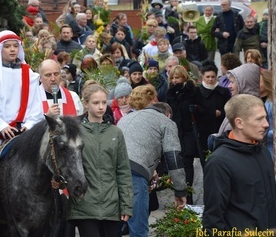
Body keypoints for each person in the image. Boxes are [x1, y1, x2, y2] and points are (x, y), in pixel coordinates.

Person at [203, 94, 276, 233]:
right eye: (259, 119)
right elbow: (213, 218)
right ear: (239, 123)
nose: (266, 124)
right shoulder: (219, 162)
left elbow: (273, 202)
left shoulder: (262, 153)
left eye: (265, 117)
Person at [118, 85, 187, 237]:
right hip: (133, 175)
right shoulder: (165, 122)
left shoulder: (124, 119)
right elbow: (174, 158)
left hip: (109, 173)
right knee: (138, 231)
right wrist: (180, 191)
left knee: (112, 229)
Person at [67, 84, 133, 236]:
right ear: (85, 103)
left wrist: (126, 205)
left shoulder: (115, 132)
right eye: (96, 103)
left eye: (104, 102)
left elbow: (123, 171)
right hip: (85, 204)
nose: (101, 107)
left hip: (111, 204)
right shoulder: (76, 132)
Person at [0, 30, 44, 171]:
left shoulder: (30, 75)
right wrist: (2, 127)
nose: (12, 49)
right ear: (0, 49)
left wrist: (29, 125)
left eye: (15, 46)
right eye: (7, 46)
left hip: (24, 133)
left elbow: (37, 106)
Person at [166, 65, 202, 204]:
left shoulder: (192, 91)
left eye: (177, 77)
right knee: (178, 163)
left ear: (184, 77)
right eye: (173, 78)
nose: (175, 80)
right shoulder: (170, 93)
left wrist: (196, 109)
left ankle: (189, 195)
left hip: (188, 131)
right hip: (175, 131)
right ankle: (180, 193)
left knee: (188, 161)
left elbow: (201, 108)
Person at [196, 61, 230, 156]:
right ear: (202, 76)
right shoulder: (197, 92)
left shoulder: (224, 92)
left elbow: (230, 108)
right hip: (203, 129)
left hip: (220, 127)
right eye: (207, 77)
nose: (210, 79)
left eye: (213, 77)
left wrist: (221, 113)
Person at [260, 70, 273, 159]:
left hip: (272, 147)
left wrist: (264, 133)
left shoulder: (272, 104)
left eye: (259, 82)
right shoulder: (261, 100)